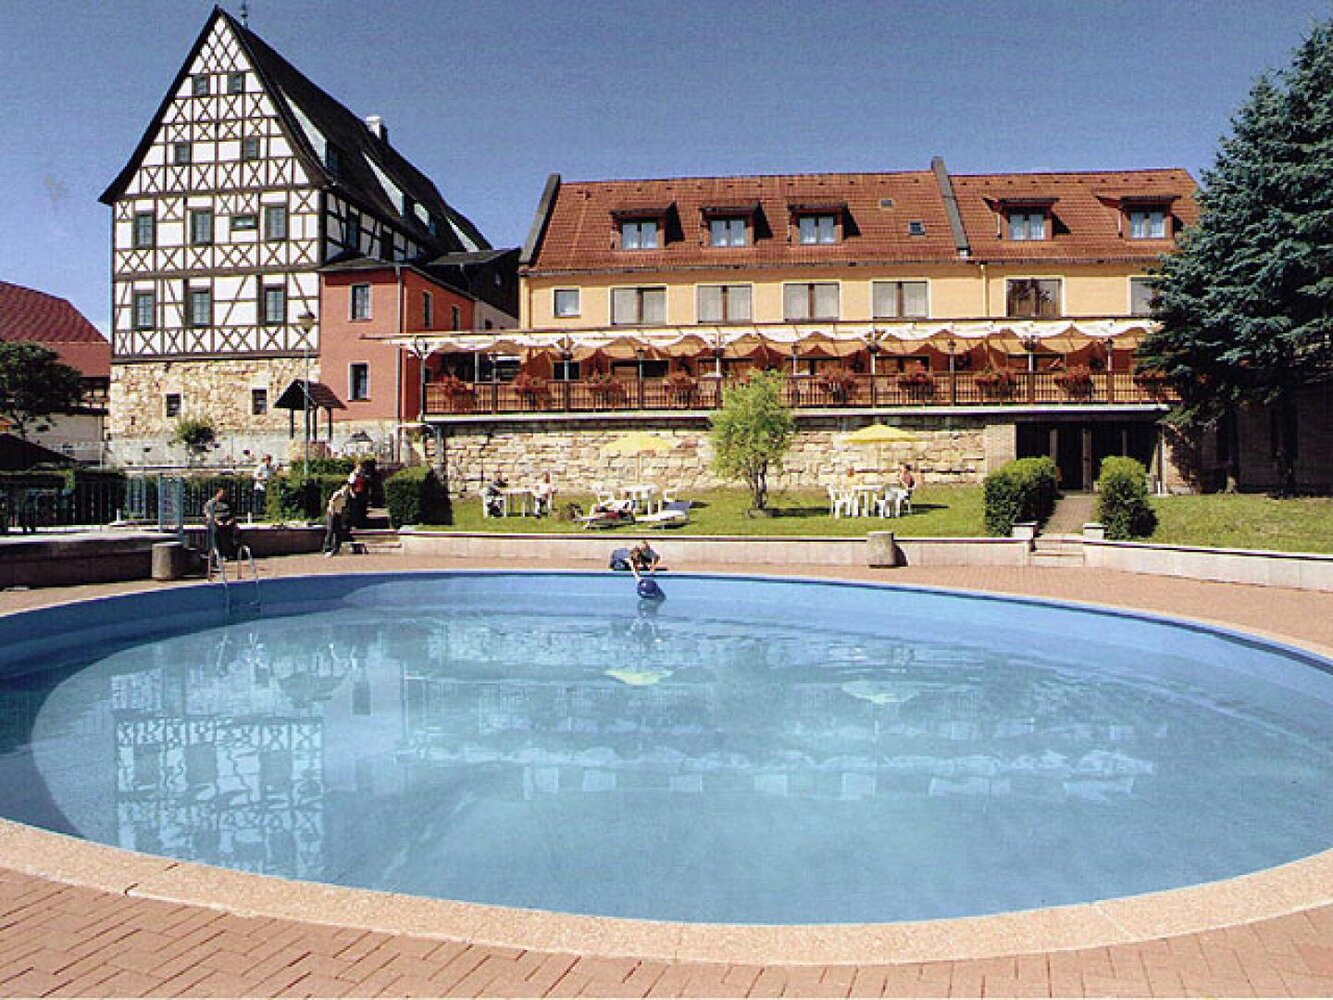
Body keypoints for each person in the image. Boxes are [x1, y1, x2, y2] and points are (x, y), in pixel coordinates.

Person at [203, 487, 241, 559]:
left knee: (232, 532)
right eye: (222, 494)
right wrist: (217, 521)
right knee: (216, 532)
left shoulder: (229, 503)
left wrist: (230, 521)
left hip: (227, 522)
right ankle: (218, 552)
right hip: (215, 522)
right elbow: (208, 515)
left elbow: (233, 515)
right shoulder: (211, 503)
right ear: (217, 493)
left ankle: (229, 552)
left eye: (224, 494)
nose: (223, 495)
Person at [323, 483, 352, 556]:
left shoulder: (345, 496)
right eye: (346, 488)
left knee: (338, 531)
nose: (347, 490)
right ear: (343, 487)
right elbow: (331, 501)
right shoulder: (338, 493)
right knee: (330, 530)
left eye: (348, 489)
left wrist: (343, 515)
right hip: (332, 513)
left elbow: (343, 506)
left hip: (338, 513)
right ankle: (327, 548)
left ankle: (336, 548)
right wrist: (332, 511)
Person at [252, 454, 276, 520]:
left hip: (267, 487)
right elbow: (254, 476)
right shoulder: (260, 467)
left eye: (269, 459)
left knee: (265, 502)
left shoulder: (271, 468)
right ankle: (257, 516)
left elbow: (274, 475)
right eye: (266, 459)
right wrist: (262, 479)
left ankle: (265, 515)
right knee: (258, 502)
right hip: (259, 487)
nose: (268, 461)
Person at [347, 462, 369, 528]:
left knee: (362, 509)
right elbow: (350, 485)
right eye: (359, 467)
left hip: (362, 493)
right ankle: (354, 524)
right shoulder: (353, 475)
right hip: (355, 493)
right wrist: (352, 493)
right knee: (355, 510)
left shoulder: (363, 474)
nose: (360, 469)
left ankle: (361, 524)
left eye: (361, 467)